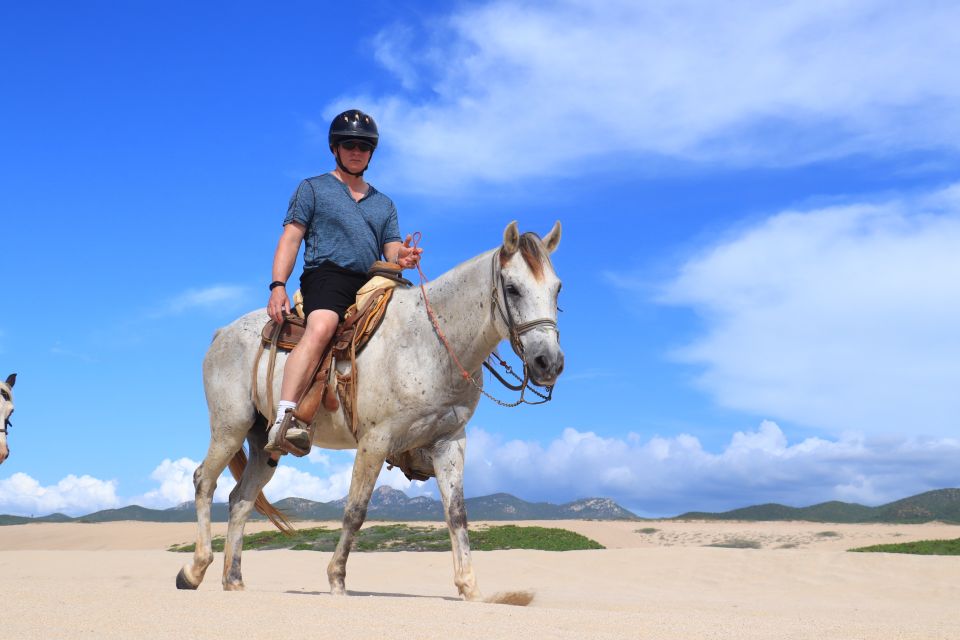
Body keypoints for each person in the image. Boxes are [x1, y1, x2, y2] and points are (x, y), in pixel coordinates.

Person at [264, 109, 422, 457]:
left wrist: (403, 257)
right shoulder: (313, 189)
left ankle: (413, 432)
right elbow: (291, 238)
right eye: (349, 144)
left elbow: (392, 247)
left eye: (364, 147)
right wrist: (278, 285)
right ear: (335, 148)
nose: (356, 151)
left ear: (371, 153)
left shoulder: (384, 204)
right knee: (323, 326)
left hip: (374, 280)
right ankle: (285, 417)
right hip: (327, 274)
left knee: (413, 326)